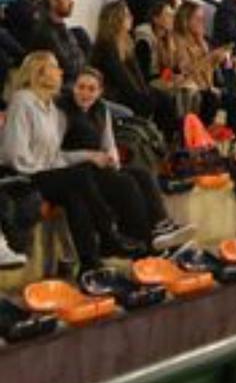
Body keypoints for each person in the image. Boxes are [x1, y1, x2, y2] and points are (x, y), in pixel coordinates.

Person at [2, 52, 141, 275]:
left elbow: (58, 156)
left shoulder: (51, 108)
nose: (61, 72)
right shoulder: (22, 100)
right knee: (79, 177)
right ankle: (108, 233)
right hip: (24, 176)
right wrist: (49, 168)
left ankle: (89, 263)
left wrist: (89, 155)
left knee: (76, 195)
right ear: (40, 71)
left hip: (47, 173)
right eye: (55, 67)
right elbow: (12, 154)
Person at [59, 68, 194, 252]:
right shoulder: (63, 110)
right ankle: (146, 241)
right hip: (78, 170)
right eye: (81, 87)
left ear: (100, 92)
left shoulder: (102, 109)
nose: (85, 93)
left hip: (101, 165)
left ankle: (162, 226)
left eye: (91, 89)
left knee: (142, 174)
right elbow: (55, 154)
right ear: (73, 87)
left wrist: (113, 157)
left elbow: (109, 143)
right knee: (125, 183)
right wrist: (89, 156)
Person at [90, 1, 173, 132]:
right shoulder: (106, 46)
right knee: (151, 101)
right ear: (116, 20)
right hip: (112, 94)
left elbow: (137, 74)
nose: (132, 17)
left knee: (163, 98)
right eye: (127, 15)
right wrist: (141, 96)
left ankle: (165, 139)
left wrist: (145, 92)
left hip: (127, 91)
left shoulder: (126, 41)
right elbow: (121, 78)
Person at [173, 1, 235, 127]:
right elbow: (187, 70)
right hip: (191, 87)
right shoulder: (177, 40)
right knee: (212, 99)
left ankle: (231, 141)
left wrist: (222, 59)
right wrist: (211, 57)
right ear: (186, 20)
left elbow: (211, 68)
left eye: (203, 19)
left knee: (234, 100)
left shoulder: (200, 39)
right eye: (198, 19)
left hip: (207, 85)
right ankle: (203, 135)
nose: (202, 23)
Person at [29, 0, 87, 87]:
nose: (72, 2)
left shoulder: (62, 27)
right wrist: (80, 59)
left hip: (73, 83)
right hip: (59, 88)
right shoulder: (46, 32)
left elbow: (80, 59)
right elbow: (70, 68)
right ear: (53, 1)